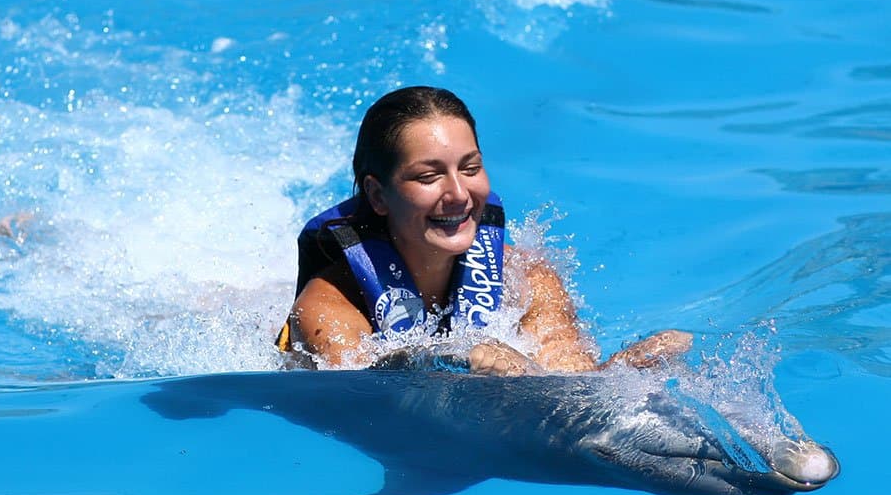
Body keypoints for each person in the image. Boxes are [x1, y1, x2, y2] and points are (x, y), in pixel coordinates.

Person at [277, 86, 691, 375]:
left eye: (470, 168)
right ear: (378, 196)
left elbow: (573, 386)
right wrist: (444, 359)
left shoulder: (526, 280)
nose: (459, 194)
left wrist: (625, 368)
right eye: (428, 177)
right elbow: (364, 399)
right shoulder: (327, 308)